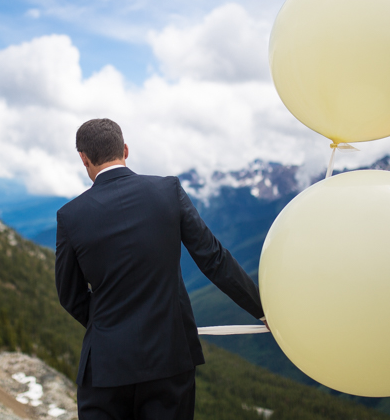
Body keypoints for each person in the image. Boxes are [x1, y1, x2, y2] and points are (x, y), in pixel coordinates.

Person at [55, 119, 265, 420]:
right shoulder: (168, 190)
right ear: (125, 149)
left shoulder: (69, 216)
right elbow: (213, 258)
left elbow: (69, 296)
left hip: (105, 368)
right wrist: (262, 309)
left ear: (83, 158)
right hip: (170, 359)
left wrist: (108, 327)